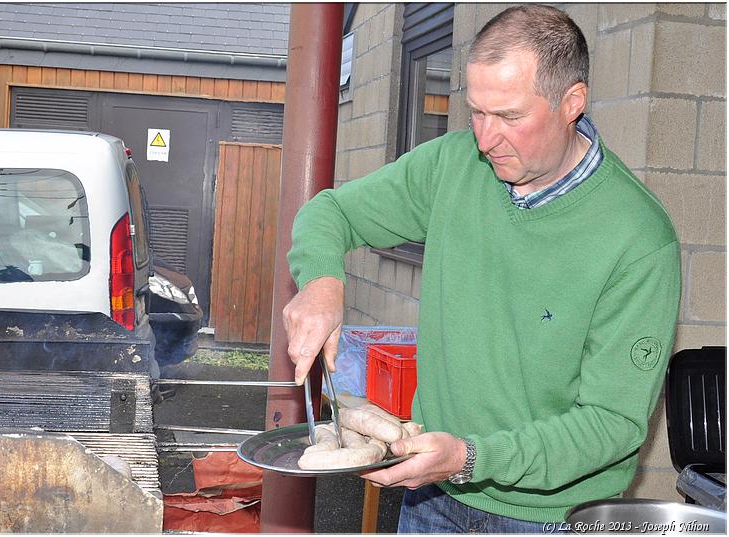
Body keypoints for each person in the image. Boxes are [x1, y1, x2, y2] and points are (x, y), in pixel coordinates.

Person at [282, 4, 681, 534]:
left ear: (572, 103)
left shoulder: (638, 238)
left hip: (554, 518)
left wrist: (471, 458)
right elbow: (331, 212)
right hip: (433, 498)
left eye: (510, 117)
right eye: (477, 112)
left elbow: (612, 424)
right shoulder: (453, 164)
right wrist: (321, 281)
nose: (486, 139)